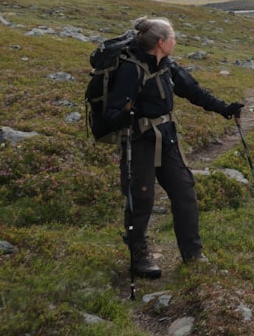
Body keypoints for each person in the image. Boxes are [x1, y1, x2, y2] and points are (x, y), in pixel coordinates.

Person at [104, 16, 244, 278]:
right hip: (140, 142)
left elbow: (194, 92)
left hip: (167, 140)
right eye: (173, 38)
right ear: (161, 42)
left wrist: (225, 109)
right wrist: (124, 116)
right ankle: (139, 256)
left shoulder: (168, 66)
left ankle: (193, 255)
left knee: (185, 193)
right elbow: (111, 113)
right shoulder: (130, 70)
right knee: (141, 200)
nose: (175, 42)